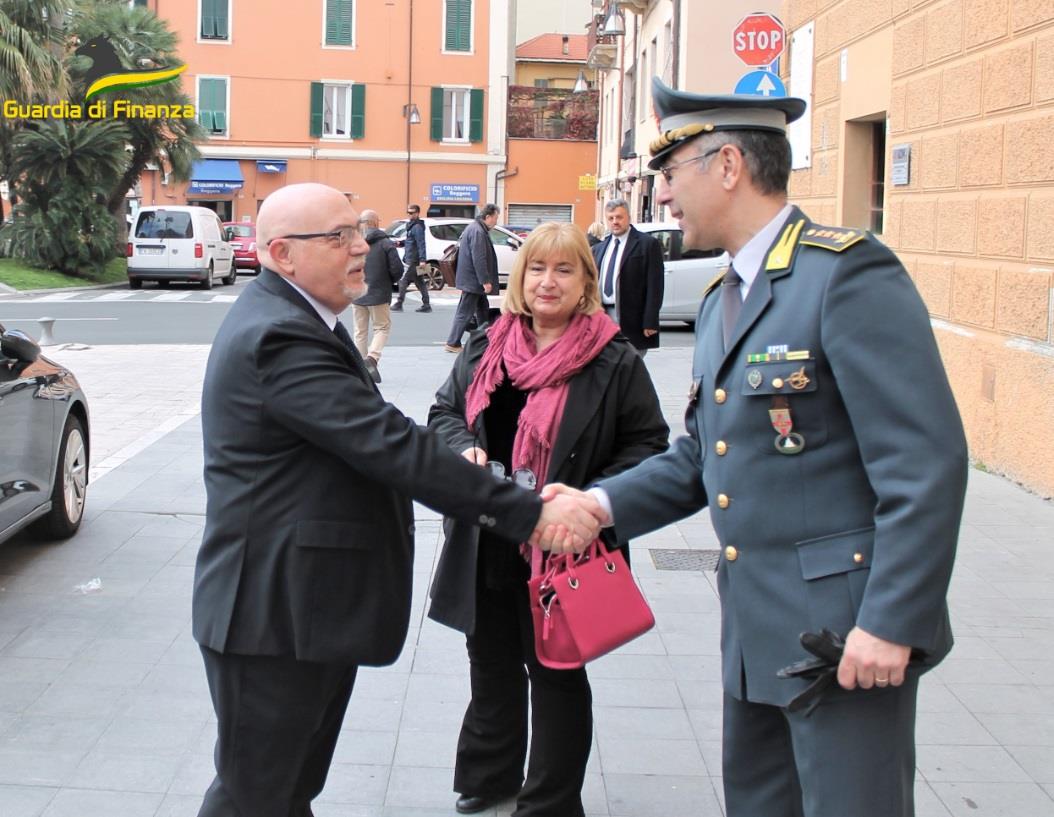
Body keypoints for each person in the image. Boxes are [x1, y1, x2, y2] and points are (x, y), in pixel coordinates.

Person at [544, 79, 969, 817]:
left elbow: (924, 465)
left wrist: (891, 621)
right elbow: (704, 456)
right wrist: (598, 504)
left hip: (846, 635)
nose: (663, 194)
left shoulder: (845, 274)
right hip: (754, 624)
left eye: (670, 173)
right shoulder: (723, 299)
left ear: (728, 165)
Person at [192, 183, 600, 817]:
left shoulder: (299, 319)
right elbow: (391, 445)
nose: (361, 247)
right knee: (255, 796)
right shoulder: (279, 335)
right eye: (339, 237)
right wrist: (531, 512)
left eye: (357, 231)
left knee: (287, 789)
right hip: (272, 616)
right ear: (283, 253)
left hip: (302, 609)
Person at [427, 221, 669, 816]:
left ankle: (551, 801)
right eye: (536, 268)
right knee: (490, 662)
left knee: (556, 671)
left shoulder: (612, 358)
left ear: (586, 280)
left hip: (565, 542)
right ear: (520, 277)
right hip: (487, 535)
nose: (547, 281)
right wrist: (464, 448)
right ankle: (491, 776)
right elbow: (444, 413)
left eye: (564, 269)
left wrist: (588, 501)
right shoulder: (487, 345)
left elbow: (648, 445)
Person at [590, 198, 664, 355]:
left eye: (619, 217)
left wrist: (650, 321)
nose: (615, 222)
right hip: (604, 316)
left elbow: (655, 285)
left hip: (633, 318)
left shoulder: (647, 244)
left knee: (632, 363)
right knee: (607, 362)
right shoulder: (599, 249)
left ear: (629, 217)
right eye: (610, 218)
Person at [350, 208, 401, 383]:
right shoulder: (386, 243)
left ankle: (361, 368)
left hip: (357, 293)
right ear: (375, 222)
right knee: (382, 327)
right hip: (379, 292)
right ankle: (372, 358)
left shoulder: (354, 242)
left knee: (360, 331)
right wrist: (389, 281)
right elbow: (397, 269)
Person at [444, 203, 501, 353]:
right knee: (465, 312)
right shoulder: (478, 232)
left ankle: (484, 340)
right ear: (487, 217)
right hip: (473, 281)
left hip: (471, 280)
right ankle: (453, 342)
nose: (496, 222)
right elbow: (479, 258)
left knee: (482, 310)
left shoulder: (475, 229)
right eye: (495, 218)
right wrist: (485, 281)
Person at [391, 203, 431, 313]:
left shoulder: (417, 227)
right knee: (420, 282)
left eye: (411, 213)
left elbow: (421, 244)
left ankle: (399, 303)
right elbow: (410, 241)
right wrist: (400, 243)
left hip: (413, 260)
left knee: (403, 280)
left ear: (417, 213)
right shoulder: (412, 226)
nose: (409, 214)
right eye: (408, 212)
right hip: (414, 258)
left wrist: (423, 260)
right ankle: (426, 305)